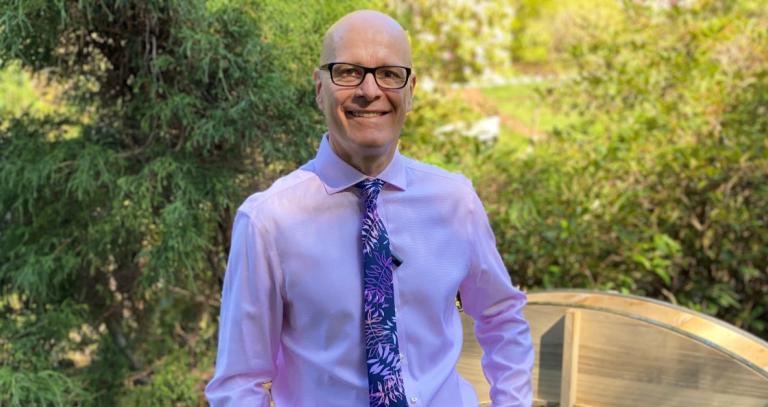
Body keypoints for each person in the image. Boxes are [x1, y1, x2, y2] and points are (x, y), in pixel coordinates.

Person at [205, 9, 533, 407]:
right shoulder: (269, 222)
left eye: (389, 74)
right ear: (319, 87)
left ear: (411, 90)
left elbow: (501, 317)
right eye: (347, 72)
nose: (369, 90)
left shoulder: (454, 201)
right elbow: (240, 383)